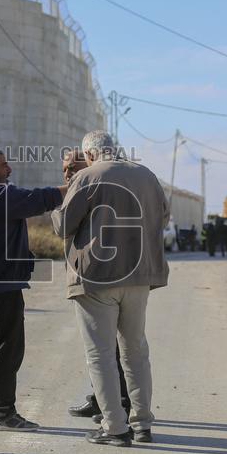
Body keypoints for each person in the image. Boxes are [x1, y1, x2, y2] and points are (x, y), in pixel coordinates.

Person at [52, 131, 169, 447]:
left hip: (97, 278)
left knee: (101, 354)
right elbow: (163, 216)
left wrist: (57, 207)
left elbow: (63, 226)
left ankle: (115, 427)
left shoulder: (87, 177)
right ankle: (142, 424)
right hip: (139, 275)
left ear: (90, 155)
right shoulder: (147, 175)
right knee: (135, 350)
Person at [0, 147, 65, 431]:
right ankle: (3, 413)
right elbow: (42, 198)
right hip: (0, 288)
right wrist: (80, 184)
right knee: (6, 351)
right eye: (4, 165)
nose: (10, 169)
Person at [61, 149, 132, 425]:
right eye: (65, 169)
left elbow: (64, 226)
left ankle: (116, 405)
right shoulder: (81, 190)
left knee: (108, 348)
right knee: (103, 347)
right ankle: (103, 400)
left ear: (90, 162)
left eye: (73, 166)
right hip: (91, 277)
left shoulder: (94, 188)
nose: (68, 173)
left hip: (102, 280)